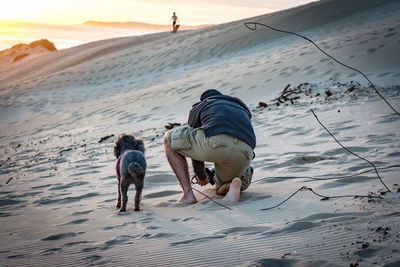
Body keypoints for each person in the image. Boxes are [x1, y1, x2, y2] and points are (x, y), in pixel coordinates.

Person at [164, 89, 256, 203]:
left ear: (204, 100)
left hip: (217, 143)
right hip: (245, 151)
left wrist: (201, 176)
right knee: (220, 188)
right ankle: (233, 184)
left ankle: (188, 195)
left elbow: (193, 143)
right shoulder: (240, 106)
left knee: (168, 138)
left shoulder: (201, 106)